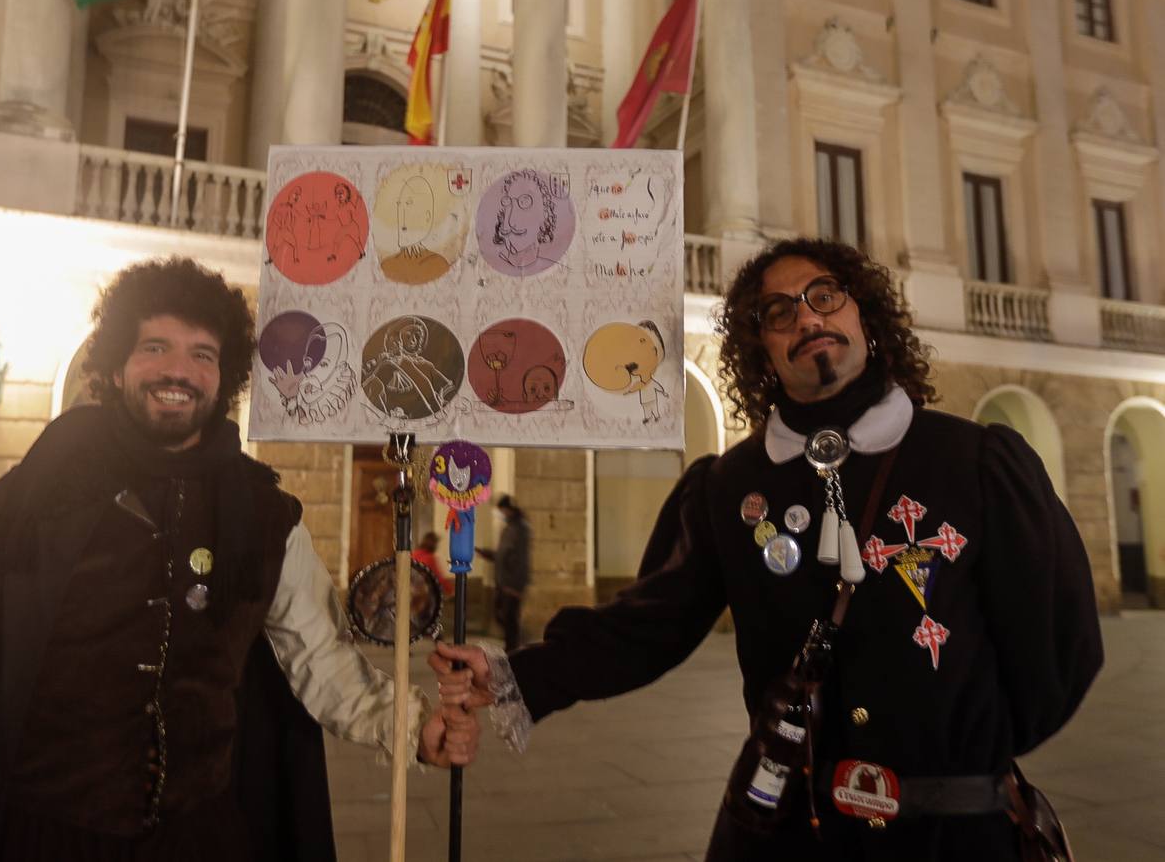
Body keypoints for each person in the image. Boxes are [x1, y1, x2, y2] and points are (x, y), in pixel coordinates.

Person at [433, 237, 1103, 860]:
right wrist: (520, 673)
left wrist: (967, 757)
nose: (807, 318)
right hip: (791, 832)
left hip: (956, 838)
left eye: (825, 295)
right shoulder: (730, 486)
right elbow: (648, 625)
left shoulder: (973, 460)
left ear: (866, 315)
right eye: (778, 312)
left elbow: (1060, 636)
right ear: (762, 349)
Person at [0, 258, 478, 862]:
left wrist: (413, 728)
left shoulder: (264, 515)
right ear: (116, 364)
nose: (178, 371)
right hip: (44, 837)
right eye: (155, 347)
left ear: (226, 378)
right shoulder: (39, 492)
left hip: (202, 838)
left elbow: (319, 659)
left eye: (202, 354)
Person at [474, 495, 531, 651]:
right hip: (503, 582)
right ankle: (517, 643)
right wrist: (485, 553)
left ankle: (514, 648)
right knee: (502, 617)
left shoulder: (521, 528)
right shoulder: (509, 528)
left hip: (512, 584)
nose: (500, 513)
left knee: (509, 619)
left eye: (501, 510)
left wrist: (515, 585)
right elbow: (503, 554)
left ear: (508, 509)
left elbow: (521, 559)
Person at [412, 531, 454, 595]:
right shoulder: (429, 558)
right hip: (423, 592)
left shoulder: (414, 554)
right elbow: (438, 577)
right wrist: (451, 590)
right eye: (436, 543)